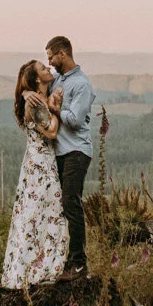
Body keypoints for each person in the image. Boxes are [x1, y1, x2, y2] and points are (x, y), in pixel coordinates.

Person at [0, 59, 67, 289]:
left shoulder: (35, 97)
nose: (48, 69)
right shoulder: (35, 104)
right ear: (37, 79)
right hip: (40, 166)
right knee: (41, 212)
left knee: (41, 213)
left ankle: (37, 267)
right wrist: (53, 108)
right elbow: (52, 131)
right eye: (42, 69)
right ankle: (35, 270)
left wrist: (29, 93)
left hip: (39, 163)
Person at [44, 35, 95, 280]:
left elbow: (74, 120)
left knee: (71, 203)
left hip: (77, 151)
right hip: (60, 153)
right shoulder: (57, 81)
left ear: (62, 54)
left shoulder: (82, 84)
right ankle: (63, 261)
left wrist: (55, 109)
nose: (50, 62)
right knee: (61, 207)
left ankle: (79, 264)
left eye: (51, 57)